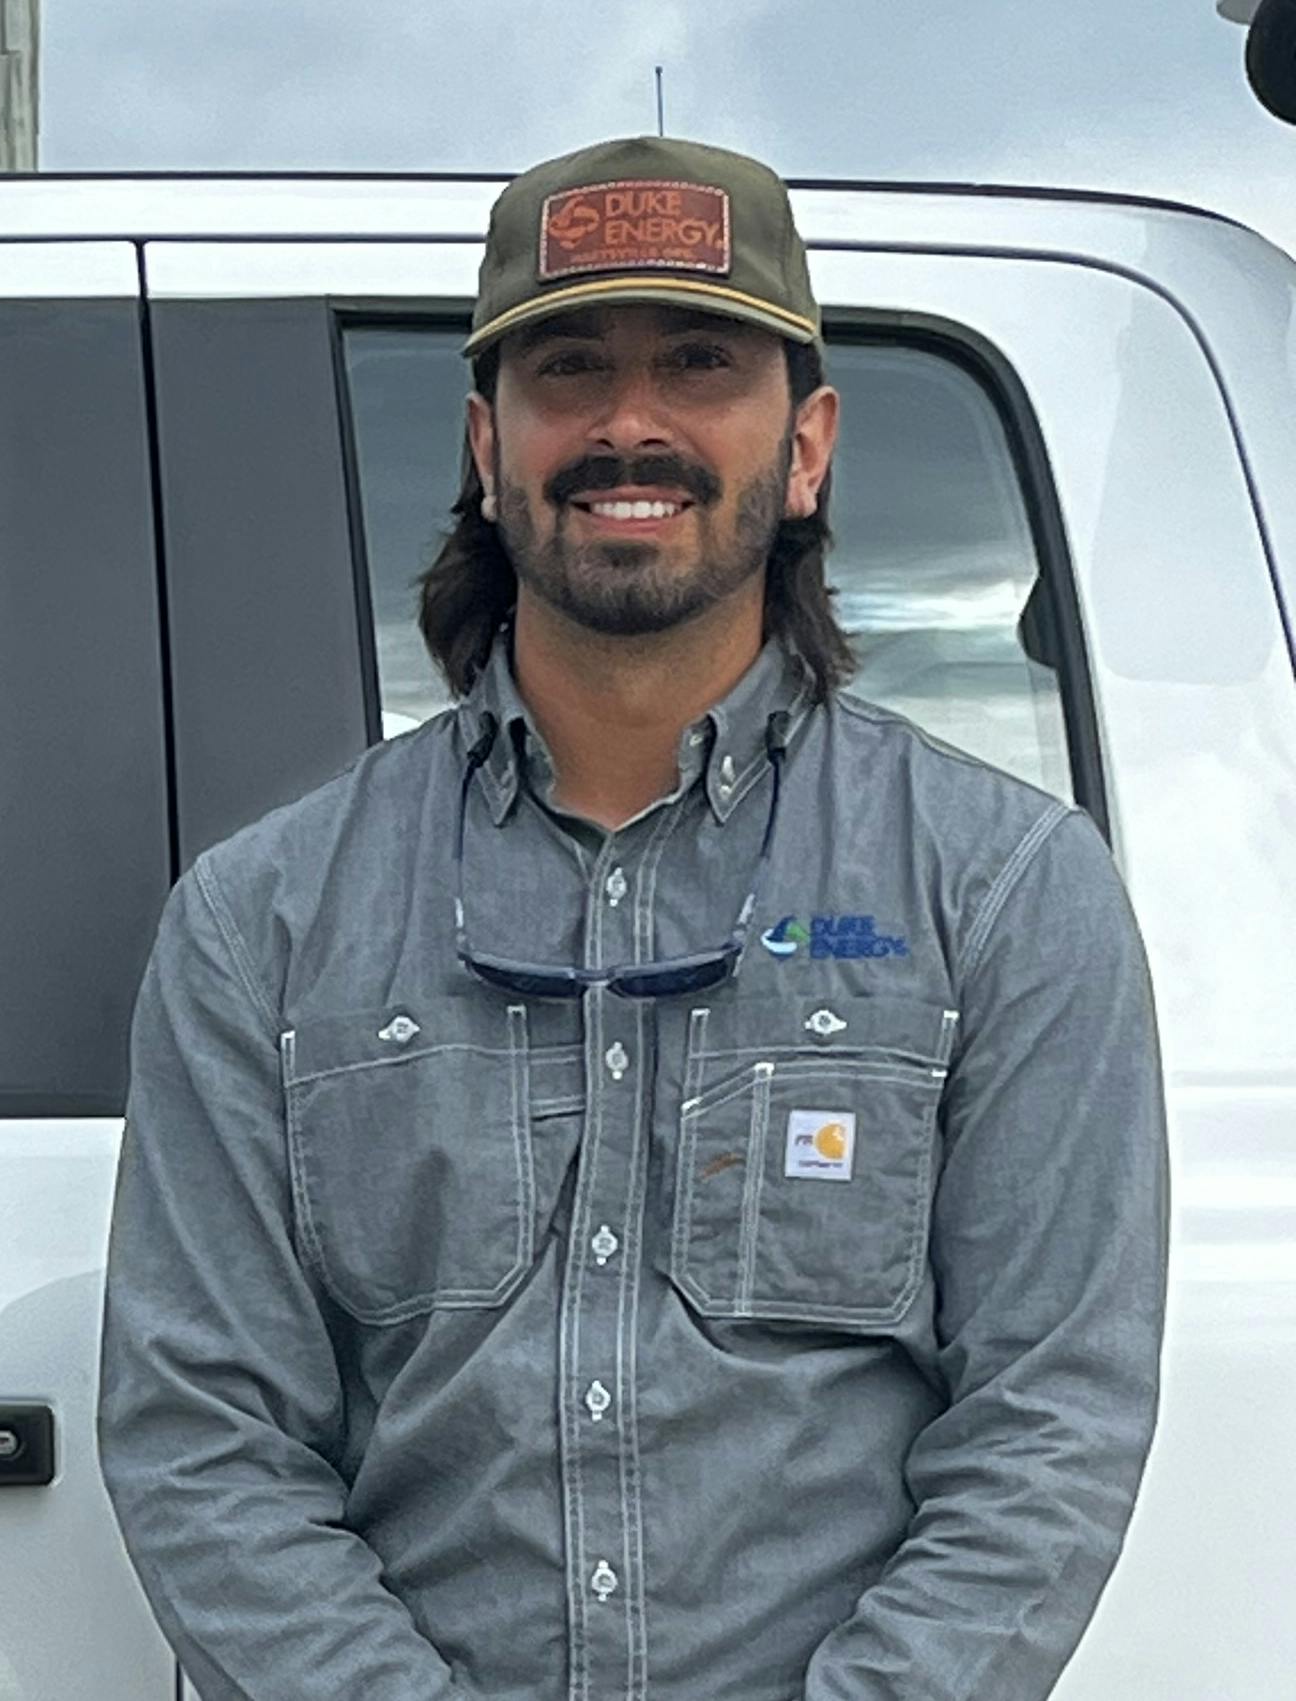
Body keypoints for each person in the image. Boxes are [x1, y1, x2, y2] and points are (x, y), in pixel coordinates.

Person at [96, 135, 1168, 1701]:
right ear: (487, 441)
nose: (628, 422)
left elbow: (1048, 1426)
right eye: (569, 369)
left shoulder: (1005, 890)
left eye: (698, 363)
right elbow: (202, 1439)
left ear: (805, 447)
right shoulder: (261, 923)